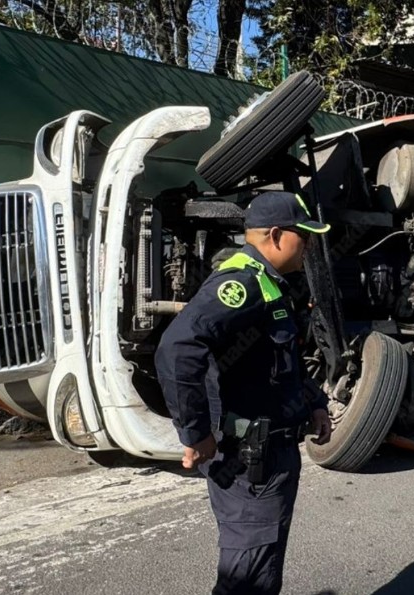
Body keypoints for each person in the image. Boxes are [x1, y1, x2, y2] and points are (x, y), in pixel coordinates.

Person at [155, 192, 334, 594]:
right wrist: (196, 433)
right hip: (249, 462)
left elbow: (277, 360)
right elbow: (178, 349)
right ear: (275, 236)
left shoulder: (270, 285)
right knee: (247, 580)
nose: (308, 246)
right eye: (303, 236)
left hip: (271, 455)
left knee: (261, 573)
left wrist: (315, 404)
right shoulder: (242, 284)